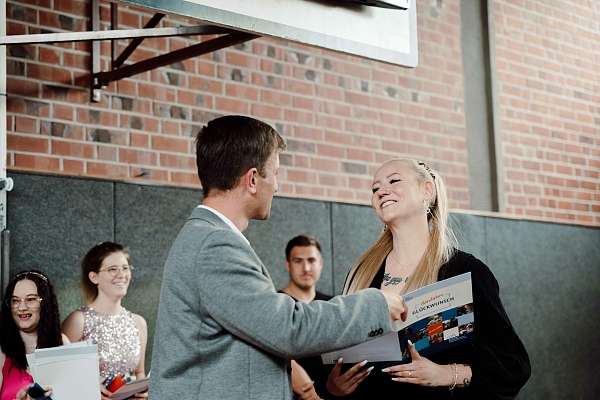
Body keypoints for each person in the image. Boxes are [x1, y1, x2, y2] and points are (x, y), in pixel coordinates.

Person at [150, 115, 407, 400]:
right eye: (275, 173)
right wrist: (376, 304)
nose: (277, 186)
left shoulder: (206, 235)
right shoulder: (215, 244)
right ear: (252, 179)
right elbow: (289, 328)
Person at [322, 158, 531, 399]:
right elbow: (334, 358)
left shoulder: (465, 271)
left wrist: (446, 374)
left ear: (427, 190)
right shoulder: (360, 273)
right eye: (375, 188)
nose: (381, 191)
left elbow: (513, 366)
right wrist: (332, 388)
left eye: (394, 181)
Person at [62, 242, 148, 400]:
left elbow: (139, 373)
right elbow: (61, 376)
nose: (122, 274)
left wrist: (144, 392)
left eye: (125, 268)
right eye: (112, 269)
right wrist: (90, 390)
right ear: (94, 277)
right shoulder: (78, 321)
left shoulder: (138, 323)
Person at [278, 234, 331, 400]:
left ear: (321, 264)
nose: (306, 268)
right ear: (288, 265)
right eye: (298, 261)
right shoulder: (275, 305)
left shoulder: (333, 305)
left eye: (312, 260)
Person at [0, 270, 65, 400]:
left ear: (45, 303)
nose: (22, 307)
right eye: (15, 301)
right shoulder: (1, 349)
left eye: (30, 299)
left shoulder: (62, 342)